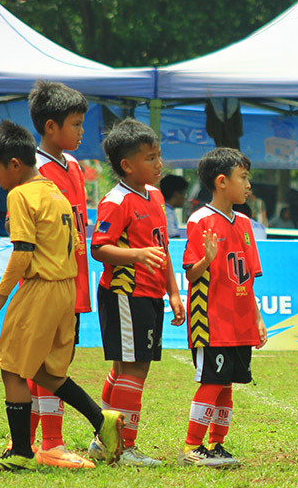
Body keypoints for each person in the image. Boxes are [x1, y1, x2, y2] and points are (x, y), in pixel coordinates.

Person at [0, 120, 124, 471]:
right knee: (45, 371)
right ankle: (101, 419)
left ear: (14, 165)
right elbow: (73, 244)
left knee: (11, 367)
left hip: (40, 288)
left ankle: (22, 453)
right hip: (65, 289)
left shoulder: (20, 194)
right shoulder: (55, 192)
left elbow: (23, 253)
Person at [91, 118, 186, 467]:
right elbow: (99, 247)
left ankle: (104, 441)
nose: (159, 164)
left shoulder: (157, 196)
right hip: (125, 295)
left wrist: (174, 292)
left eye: (159, 156)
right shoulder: (116, 201)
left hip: (150, 294)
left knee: (125, 368)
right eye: (150, 158)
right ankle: (123, 447)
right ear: (127, 165)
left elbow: (161, 249)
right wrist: (135, 255)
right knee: (134, 369)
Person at [181, 147, 268, 467]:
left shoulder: (245, 223)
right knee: (212, 381)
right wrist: (207, 258)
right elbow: (190, 273)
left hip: (240, 322)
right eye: (243, 178)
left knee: (228, 383)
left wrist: (257, 319)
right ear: (221, 182)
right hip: (212, 321)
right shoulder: (200, 221)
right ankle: (192, 446)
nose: (248, 185)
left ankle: (216, 444)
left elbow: (248, 281)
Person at [26, 80, 95, 468]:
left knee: (52, 362)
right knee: (51, 364)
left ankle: (33, 442)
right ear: (50, 127)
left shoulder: (75, 168)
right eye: (75, 124)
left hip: (74, 279)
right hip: (48, 281)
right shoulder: (36, 171)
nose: (81, 131)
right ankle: (51, 443)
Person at [161, 174, 189, 238]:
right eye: (184, 193)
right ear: (176, 194)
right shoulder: (168, 213)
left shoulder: (163, 209)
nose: (184, 198)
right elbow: (174, 237)